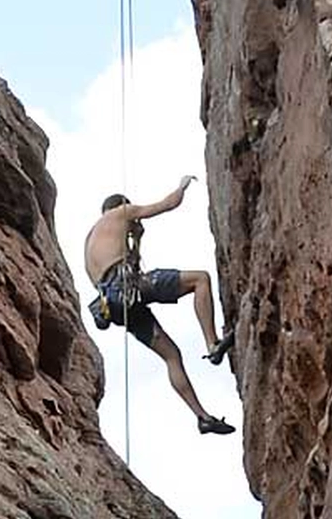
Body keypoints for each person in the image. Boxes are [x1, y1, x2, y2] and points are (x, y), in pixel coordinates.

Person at [84, 176, 236, 436]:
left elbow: (125, 263)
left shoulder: (91, 240)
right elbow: (167, 204)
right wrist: (182, 186)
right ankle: (212, 344)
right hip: (126, 286)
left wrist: (137, 241)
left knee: (172, 355)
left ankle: (203, 417)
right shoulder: (122, 211)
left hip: (115, 304)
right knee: (200, 279)